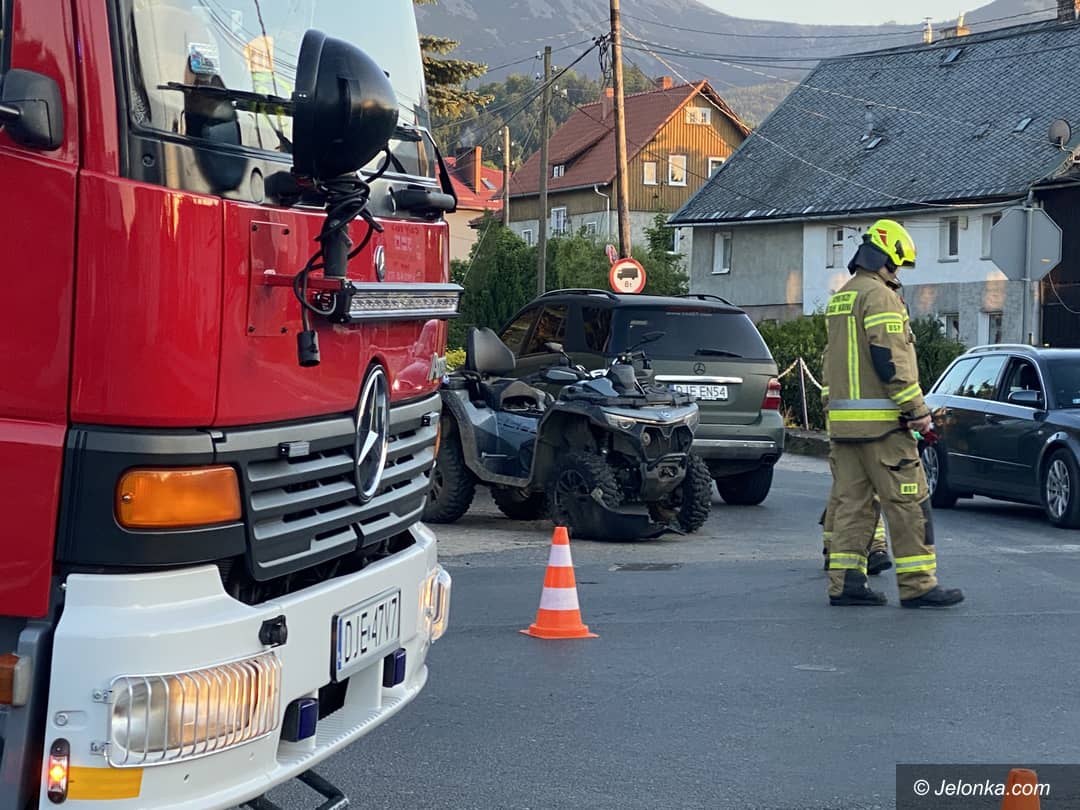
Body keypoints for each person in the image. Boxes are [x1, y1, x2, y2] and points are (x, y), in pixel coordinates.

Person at [822, 219, 964, 608]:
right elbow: (891, 359)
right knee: (909, 504)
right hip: (884, 428)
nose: (897, 271)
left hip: (845, 429)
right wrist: (917, 411)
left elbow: (831, 364)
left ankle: (846, 583)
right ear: (887, 257)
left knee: (852, 507)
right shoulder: (881, 297)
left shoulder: (842, 298)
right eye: (897, 263)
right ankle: (919, 585)